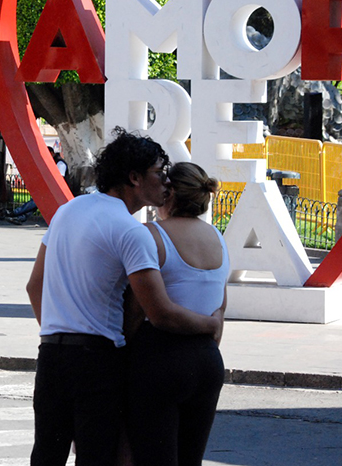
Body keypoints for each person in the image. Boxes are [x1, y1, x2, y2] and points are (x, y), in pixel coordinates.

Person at [25, 127, 222, 466]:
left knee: (47, 453)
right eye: (159, 174)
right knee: (98, 456)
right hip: (98, 360)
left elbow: (34, 287)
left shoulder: (67, 211)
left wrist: (63, 328)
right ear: (134, 177)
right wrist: (209, 323)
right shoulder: (132, 232)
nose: (166, 183)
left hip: (52, 354)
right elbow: (159, 312)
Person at [124, 162, 230, 465]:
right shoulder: (218, 238)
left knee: (153, 457)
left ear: (169, 193)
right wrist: (207, 335)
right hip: (208, 360)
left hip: (159, 357)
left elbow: (138, 311)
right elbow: (220, 306)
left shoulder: (151, 236)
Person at [6, 147, 67, 225]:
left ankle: (15, 213)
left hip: (58, 191)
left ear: (51, 153)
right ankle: (20, 218)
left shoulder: (60, 163)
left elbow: (60, 179)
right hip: (51, 189)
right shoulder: (52, 162)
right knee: (37, 202)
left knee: (36, 201)